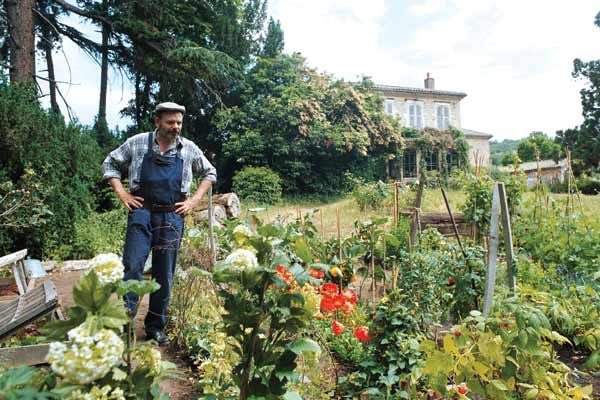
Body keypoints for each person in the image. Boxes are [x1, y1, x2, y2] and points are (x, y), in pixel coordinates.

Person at [101, 102, 216, 345]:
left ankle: (154, 326)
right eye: (170, 122)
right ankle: (125, 323)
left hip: (172, 215)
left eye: (179, 123)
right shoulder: (137, 143)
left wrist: (194, 201)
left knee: (164, 273)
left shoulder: (189, 149)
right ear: (157, 122)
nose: (176, 127)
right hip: (141, 212)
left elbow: (210, 173)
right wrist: (122, 194)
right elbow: (109, 164)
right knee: (133, 266)